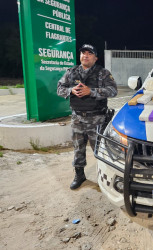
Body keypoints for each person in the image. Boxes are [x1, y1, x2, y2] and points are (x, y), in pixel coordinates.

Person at [57, 44, 118, 190]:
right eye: (83, 53)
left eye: (89, 53)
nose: (85, 55)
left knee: (100, 149)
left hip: (96, 119)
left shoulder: (103, 73)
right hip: (77, 118)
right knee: (78, 148)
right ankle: (79, 175)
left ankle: (105, 176)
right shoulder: (71, 72)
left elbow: (113, 91)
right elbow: (60, 88)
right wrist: (71, 90)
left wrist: (91, 92)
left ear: (95, 58)